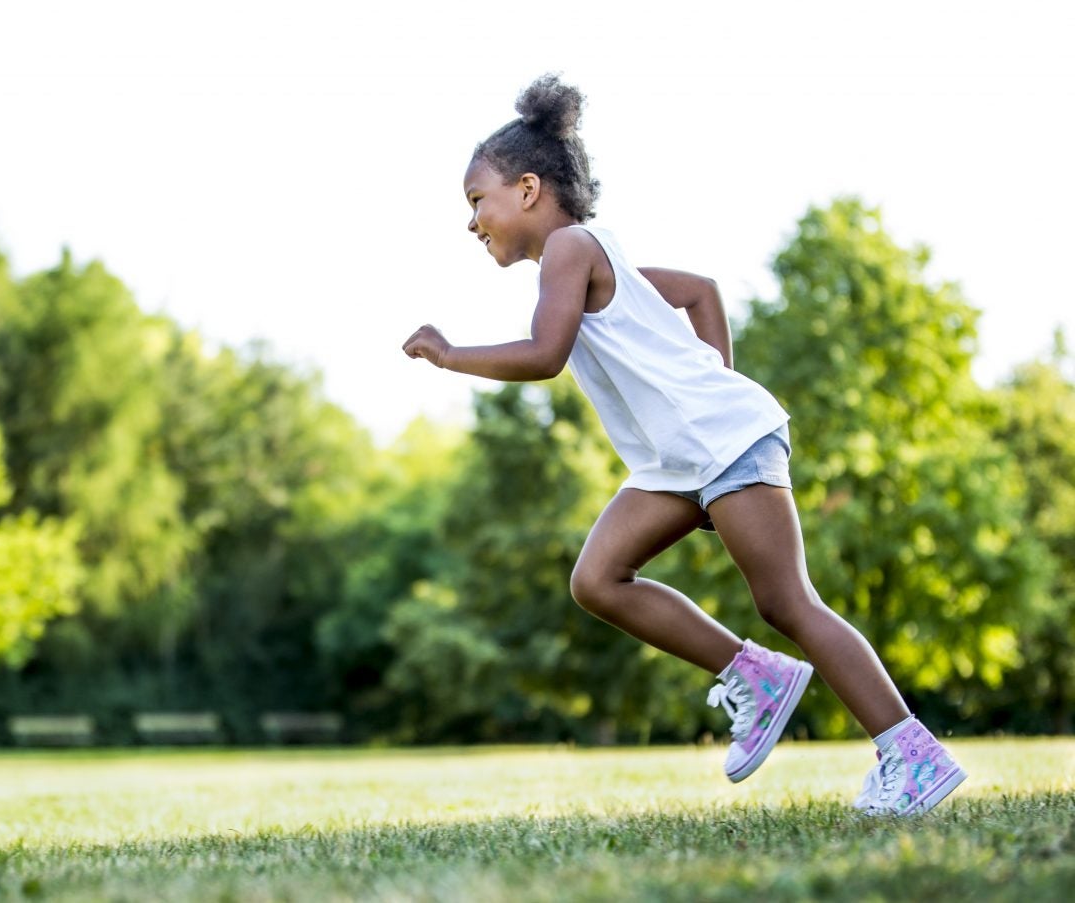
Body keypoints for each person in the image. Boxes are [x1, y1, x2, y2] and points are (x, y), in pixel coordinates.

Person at [402, 74, 966, 816]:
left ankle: (912, 753)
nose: (472, 221)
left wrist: (451, 354)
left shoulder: (571, 247)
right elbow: (700, 290)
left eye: (478, 201)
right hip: (683, 459)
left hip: (721, 442)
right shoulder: (593, 259)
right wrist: (704, 415)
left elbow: (544, 354)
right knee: (598, 579)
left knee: (787, 599)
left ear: (530, 188)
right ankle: (757, 676)